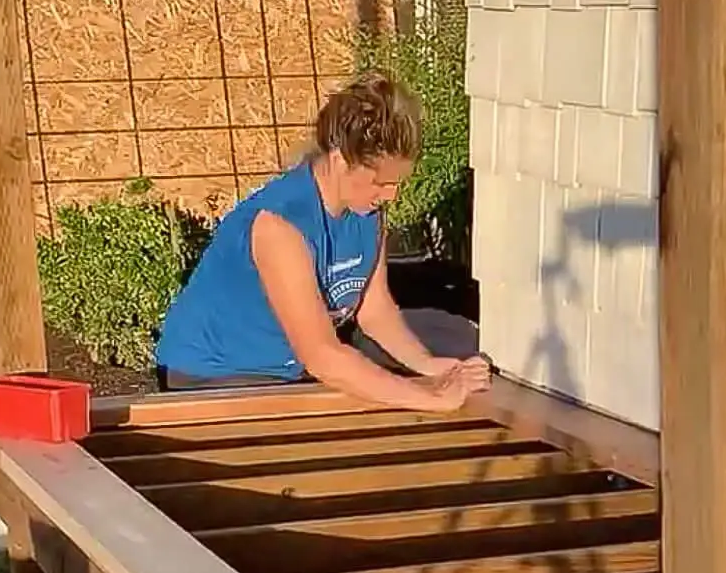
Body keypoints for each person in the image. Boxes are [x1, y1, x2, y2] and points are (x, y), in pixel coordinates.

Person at [154, 72, 492, 414]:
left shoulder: (368, 212)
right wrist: (433, 399)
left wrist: (432, 367)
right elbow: (323, 356)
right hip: (213, 376)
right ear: (341, 159)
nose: (391, 194)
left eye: (397, 182)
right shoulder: (280, 223)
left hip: (283, 371)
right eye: (380, 182)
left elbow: (374, 312)